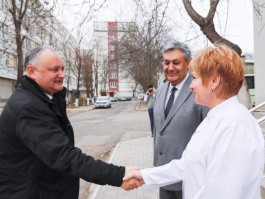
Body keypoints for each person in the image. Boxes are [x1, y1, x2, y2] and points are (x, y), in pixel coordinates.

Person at [124, 45, 265, 199]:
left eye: (195, 78)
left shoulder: (234, 127)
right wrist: (143, 175)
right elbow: (186, 165)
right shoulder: (217, 118)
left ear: (214, 82)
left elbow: (225, 192)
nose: (191, 85)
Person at [0, 47, 142, 199]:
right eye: (55, 69)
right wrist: (119, 175)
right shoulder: (28, 107)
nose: (62, 74)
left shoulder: (44, 100)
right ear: (32, 71)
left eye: (62, 69)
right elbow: (64, 156)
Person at [151, 40, 209, 199]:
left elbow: (209, 137)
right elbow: (158, 131)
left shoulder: (200, 90)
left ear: (188, 63)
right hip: (163, 175)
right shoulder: (160, 91)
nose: (170, 68)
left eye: (176, 62)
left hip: (190, 178)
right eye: (166, 62)